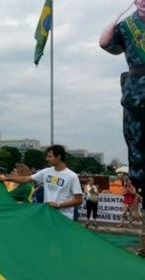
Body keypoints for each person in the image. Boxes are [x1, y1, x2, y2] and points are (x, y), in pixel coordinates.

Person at [100, 0, 145, 255]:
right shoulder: (127, 26)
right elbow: (106, 44)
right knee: (137, 152)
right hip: (136, 96)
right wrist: (116, 17)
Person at [0, 145, 83, 220]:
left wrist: (58, 205)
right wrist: (6, 178)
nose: (47, 159)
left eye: (50, 156)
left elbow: (79, 200)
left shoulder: (72, 176)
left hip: (64, 218)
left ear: (59, 157)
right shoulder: (46, 172)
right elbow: (26, 179)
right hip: (48, 216)